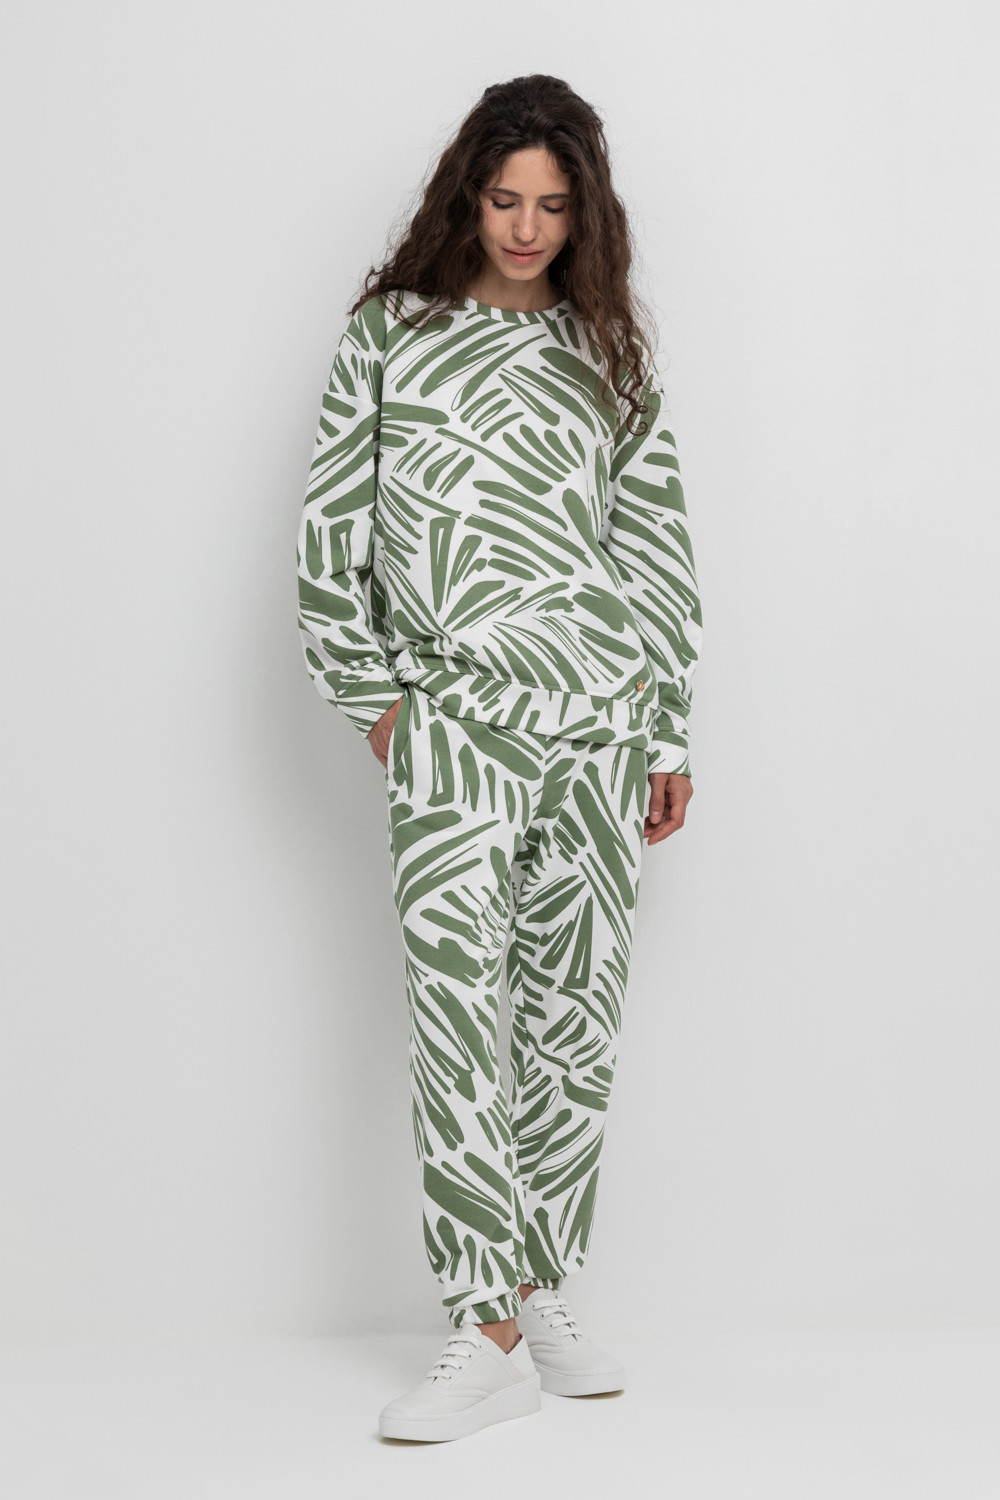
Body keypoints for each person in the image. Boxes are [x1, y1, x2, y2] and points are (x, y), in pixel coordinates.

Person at [296, 73, 703, 1443]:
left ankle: (537, 1289)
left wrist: (666, 726)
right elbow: (329, 546)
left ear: (586, 214)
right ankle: (480, 1328)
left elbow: (652, 546)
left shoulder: (607, 348)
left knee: (571, 1017)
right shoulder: (391, 335)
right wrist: (383, 708)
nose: (526, 227)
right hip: (454, 725)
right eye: (504, 198)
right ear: (464, 197)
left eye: (553, 205)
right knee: (457, 1012)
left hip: (600, 722)